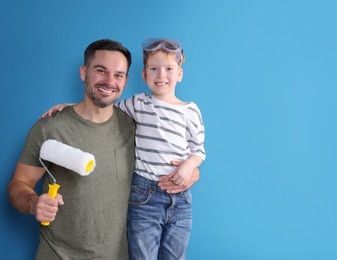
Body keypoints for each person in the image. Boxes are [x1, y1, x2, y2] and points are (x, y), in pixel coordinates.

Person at [8, 39, 199, 260]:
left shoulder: (134, 126)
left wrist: (192, 170)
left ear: (126, 80)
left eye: (118, 75)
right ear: (84, 72)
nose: (109, 81)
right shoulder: (51, 126)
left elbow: (168, 149)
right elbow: (18, 184)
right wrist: (34, 203)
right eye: (101, 71)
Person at [118, 38, 206, 260]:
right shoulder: (138, 103)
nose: (161, 75)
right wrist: (71, 107)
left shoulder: (191, 111)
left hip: (181, 198)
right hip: (144, 196)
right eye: (154, 69)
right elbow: (105, 112)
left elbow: (199, 150)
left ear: (180, 74)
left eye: (169, 69)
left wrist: (189, 166)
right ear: (144, 75)